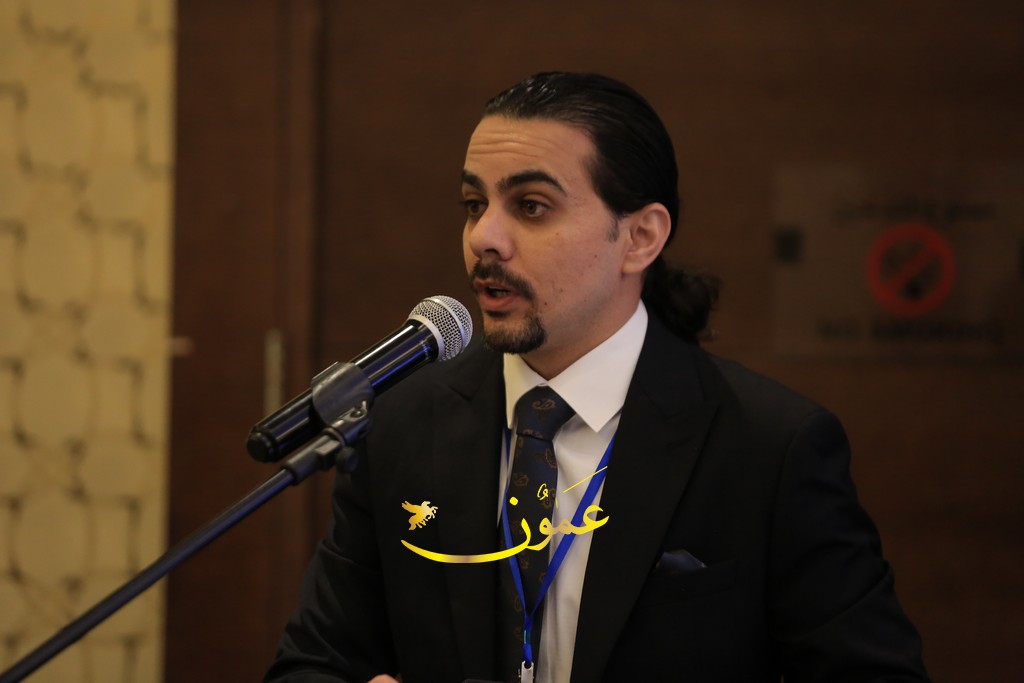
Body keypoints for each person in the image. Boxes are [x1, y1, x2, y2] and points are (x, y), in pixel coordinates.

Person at [264, 72, 929, 683]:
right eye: (473, 203)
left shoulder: (769, 447)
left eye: (530, 206)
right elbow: (310, 665)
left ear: (640, 238)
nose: (483, 237)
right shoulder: (402, 426)